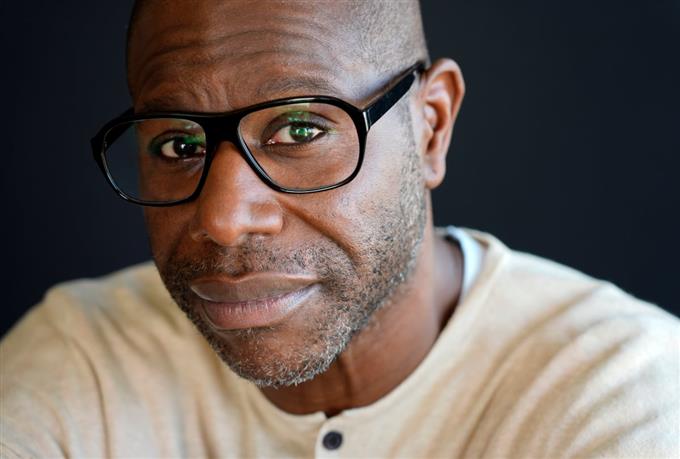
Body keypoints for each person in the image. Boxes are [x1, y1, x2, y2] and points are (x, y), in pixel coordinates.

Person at [1, 0, 678, 457]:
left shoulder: (625, 394)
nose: (224, 220)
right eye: (179, 145)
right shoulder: (85, 359)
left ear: (431, 127)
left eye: (301, 130)